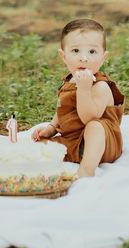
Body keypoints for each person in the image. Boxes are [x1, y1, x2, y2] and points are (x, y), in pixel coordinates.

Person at [32, 18, 124, 177]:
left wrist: (84, 89)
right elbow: (62, 108)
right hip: (73, 141)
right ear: (63, 56)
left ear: (103, 57)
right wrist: (52, 128)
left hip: (102, 145)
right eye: (75, 51)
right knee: (38, 145)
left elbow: (89, 118)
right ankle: (75, 156)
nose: (84, 58)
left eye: (92, 52)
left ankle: (86, 170)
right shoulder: (69, 81)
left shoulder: (100, 86)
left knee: (95, 126)